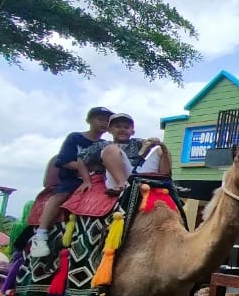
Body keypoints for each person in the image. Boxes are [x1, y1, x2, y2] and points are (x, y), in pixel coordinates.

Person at [29, 106, 112, 258]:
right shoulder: (75, 138)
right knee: (60, 196)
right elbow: (64, 161)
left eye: (107, 120)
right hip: (73, 178)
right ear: (89, 120)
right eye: (100, 119)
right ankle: (41, 235)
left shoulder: (106, 144)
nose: (104, 123)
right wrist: (85, 168)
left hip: (98, 179)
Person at [80, 113, 169, 197]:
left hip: (139, 174)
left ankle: (164, 183)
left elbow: (147, 143)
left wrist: (153, 141)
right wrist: (86, 181)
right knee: (111, 148)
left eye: (126, 127)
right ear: (110, 130)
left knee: (161, 149)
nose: (122, 129)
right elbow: (80, 158)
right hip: (118, 177)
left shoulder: (136, 142)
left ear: (132, 131)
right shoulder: (102, 145)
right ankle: (122, 185)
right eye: (118, 126)